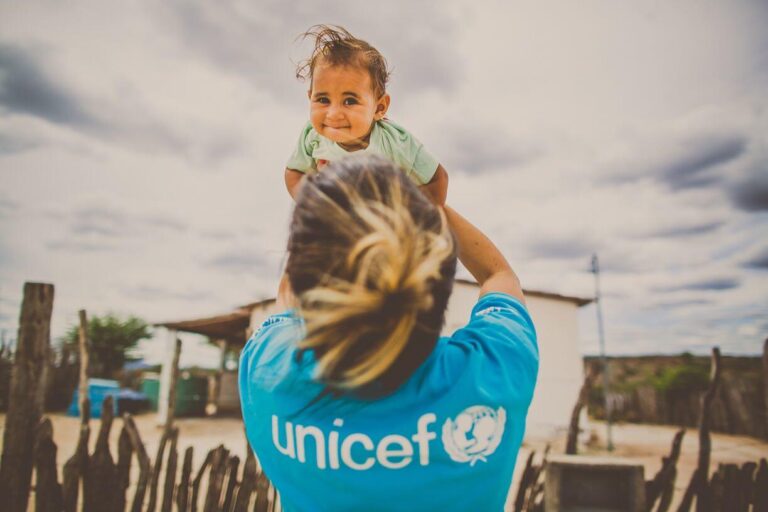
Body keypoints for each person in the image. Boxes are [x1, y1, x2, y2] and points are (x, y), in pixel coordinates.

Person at [240, 155, 538, 511]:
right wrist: (428, 201)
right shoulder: (493, 370)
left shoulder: (267, 371)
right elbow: (498, 275)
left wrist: (330, 206)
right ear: (439, 283)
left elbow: (289, 298)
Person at [284, 25, 449, 205]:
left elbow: (437, 179)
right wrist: (312, 202)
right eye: (323, 100)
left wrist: (409, 213)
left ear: (379, 108)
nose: (333, 114)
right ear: (310, 98)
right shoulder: (312, 136)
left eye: (349, 101)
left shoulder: (395, 143)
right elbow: (294, 173)